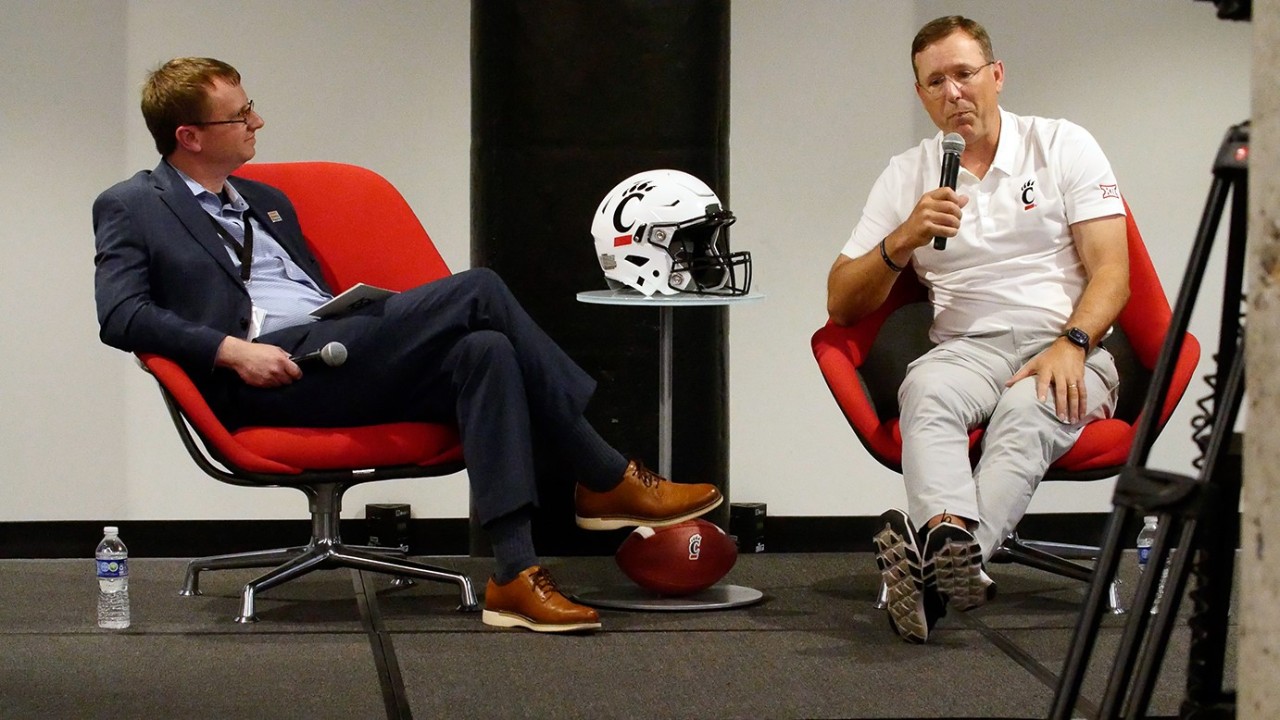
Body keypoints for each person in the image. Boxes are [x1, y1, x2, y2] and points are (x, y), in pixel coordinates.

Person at [93, 57, 723, 634]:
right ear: (190, 137)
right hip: (265, 376)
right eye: (240, 115)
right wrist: (231, 350)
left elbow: (309, 292)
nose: (258, 120)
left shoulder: (267, 202)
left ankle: (513, 575)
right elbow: (121, 314)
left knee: (486, 351)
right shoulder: (132, 206)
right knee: (478, 289)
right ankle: (603, 471)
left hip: (332, 353)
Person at [826, 17, 1129, 643]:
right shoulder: (909, 174)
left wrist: (1072, 346)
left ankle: (937, 577)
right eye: (935, 81)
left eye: (964, 74)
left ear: (996, 76)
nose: (952, 92)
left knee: (1028, 410)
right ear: (921, 95)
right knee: (925, 391)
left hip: (1066, 342)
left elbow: (1114, 275)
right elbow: (841, 302)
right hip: (966, 349)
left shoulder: (1060, 145)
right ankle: (950, 548)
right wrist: (903, 237)